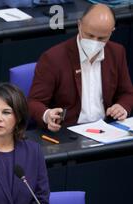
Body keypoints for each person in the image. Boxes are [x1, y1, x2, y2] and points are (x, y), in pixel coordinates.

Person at [28, 4, 133, 132]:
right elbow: (34, 102)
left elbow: (127, 93)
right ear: (79, 25)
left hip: (106, 128)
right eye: (89, 35)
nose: (94, 42)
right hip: (69, 131)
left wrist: (122, 106)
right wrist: (46, 115)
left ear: (112, 32)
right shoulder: (53, 58)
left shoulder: (117, 52)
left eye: (101, 38)